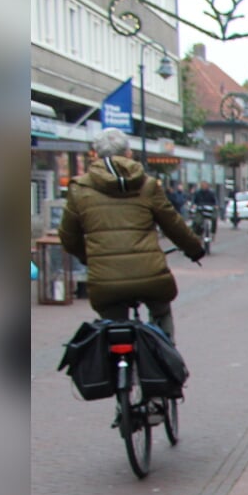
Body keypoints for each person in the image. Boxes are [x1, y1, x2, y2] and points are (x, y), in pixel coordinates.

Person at [58, 127, 205, 341]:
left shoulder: (80, 189)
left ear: (95, 154)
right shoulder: (147, 185)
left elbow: (68, 237)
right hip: (150, 275)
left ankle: (112, 368)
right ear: (128, 153)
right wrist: (195, 250)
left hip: (105, 280)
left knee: (111, 326)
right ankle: (165, 360)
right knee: (160, 311)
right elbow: (173, 225)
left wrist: (89, 257)